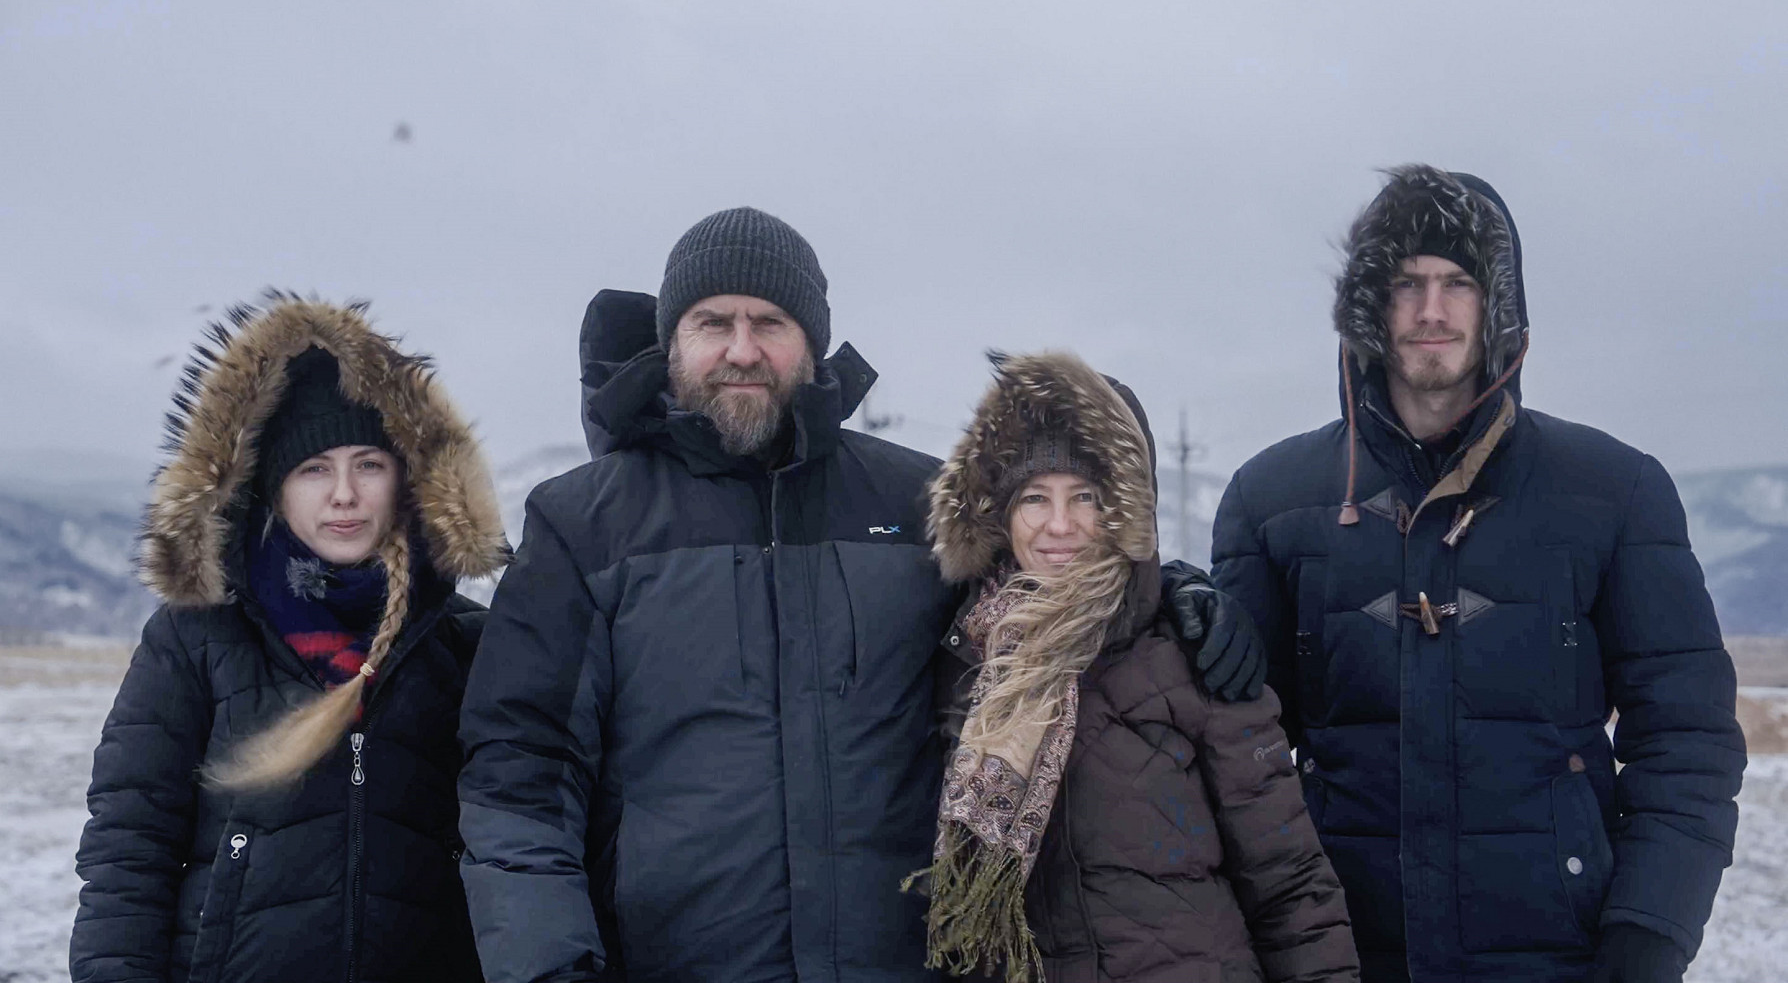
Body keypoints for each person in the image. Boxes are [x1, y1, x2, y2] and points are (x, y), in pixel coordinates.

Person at [456, 207, 1254, 982]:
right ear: (672, 343)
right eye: (713, 323)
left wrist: (1172, 595)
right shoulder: (584, 526)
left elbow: (1052, 596)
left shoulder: (920, 505)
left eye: (770, 323)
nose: (742, 349)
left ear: (812, 340)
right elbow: (520, 777)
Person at [1210, 165, 1746, 983]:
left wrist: (1649, 932)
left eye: (1459, 282)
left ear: (1500, 304)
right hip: (1337, 958)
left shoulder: (1615, 491)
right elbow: (1223, 746)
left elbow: (1687, 735)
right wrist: (1173, 604)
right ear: (1369, 305)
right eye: (1407, 283)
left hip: (1559, 958)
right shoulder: (1273, 500)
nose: (1432, 310)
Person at [70, 294, 509, 983]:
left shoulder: (464, 644)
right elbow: (129, 843)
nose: (345, 494)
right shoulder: (198, 638)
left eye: (369, 463)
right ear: (274, 489)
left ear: (407, 479)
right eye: (314, 469)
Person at [919, 351, 1358, 983]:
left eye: (1087, 497)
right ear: (999, 514)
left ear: (1125, 510)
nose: (1059, 525)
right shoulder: (961, 657)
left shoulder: (1194, 651)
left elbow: (1290, 885)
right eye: (1035, 497)